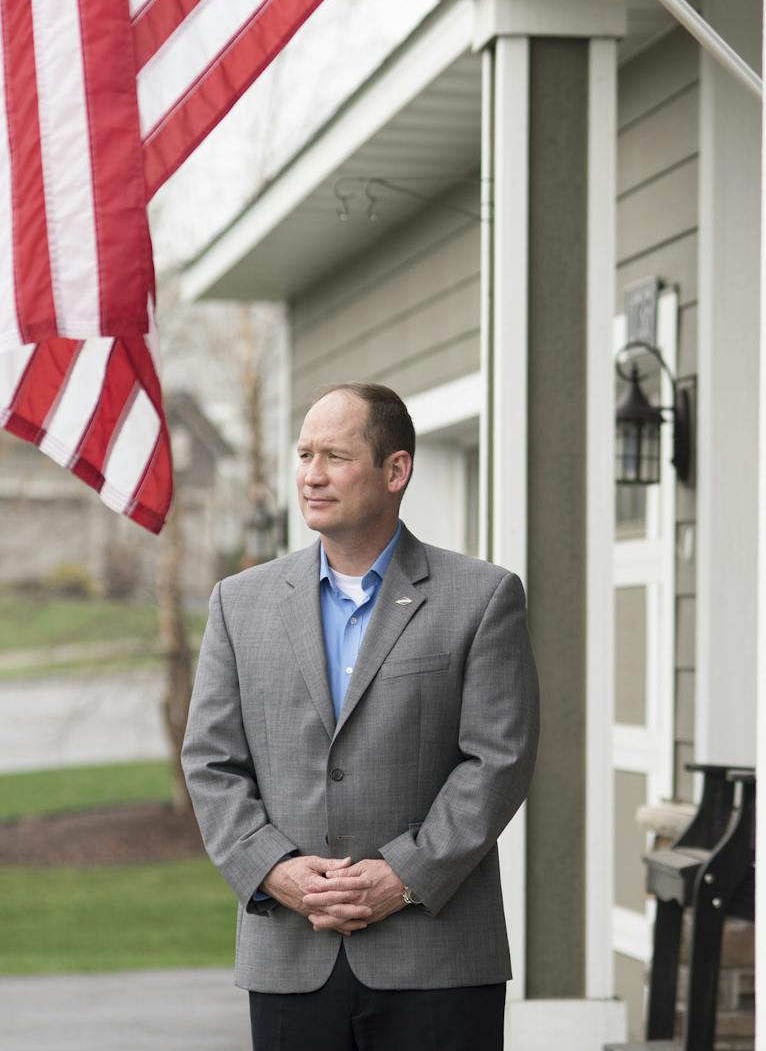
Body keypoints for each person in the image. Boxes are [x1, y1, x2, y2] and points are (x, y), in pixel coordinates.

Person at [182, 382, 539, 1051]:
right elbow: (209, 762)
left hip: (437, 959)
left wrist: (403, 878)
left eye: (336, 457)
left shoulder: (482, 598)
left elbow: (499, 760)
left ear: (395, 470)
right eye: (305, 454)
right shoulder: (240, 604)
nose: (312, 476)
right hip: (291, 953)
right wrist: (274, 870)